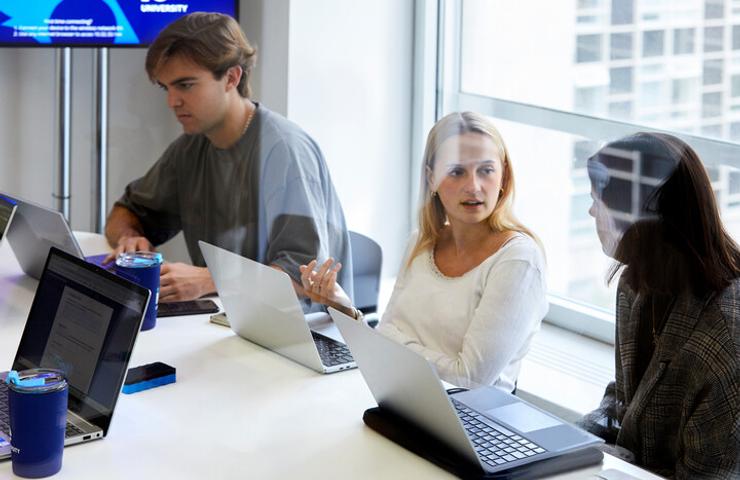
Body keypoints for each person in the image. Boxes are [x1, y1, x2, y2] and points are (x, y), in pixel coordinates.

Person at [104, 12, 352, 306]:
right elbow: (125, 212)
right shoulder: (191, 147)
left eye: (185, 85)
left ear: (231, 78)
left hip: (298, 335)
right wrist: (130, 236)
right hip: (224, 322)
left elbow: (303, 276)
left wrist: (210, 279)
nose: (173, 101)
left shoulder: (284, 151)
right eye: (166, 88)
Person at [299, 112, 547, 391]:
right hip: (403, 398)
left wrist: (394, 343)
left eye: (486, 170)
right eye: (456, 171)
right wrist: (343, 307)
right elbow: (382, 338)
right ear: (432, 179)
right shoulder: (422, 242)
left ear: (503, 176)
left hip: (470, 420)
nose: (473, 186)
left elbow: (469, 380)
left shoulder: (518, 260)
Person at [579, 132, 740, 479]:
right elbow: (626, 398)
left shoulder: (726, 337)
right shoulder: (636, 284)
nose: (591, 210)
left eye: (598, 201)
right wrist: (569, 445)